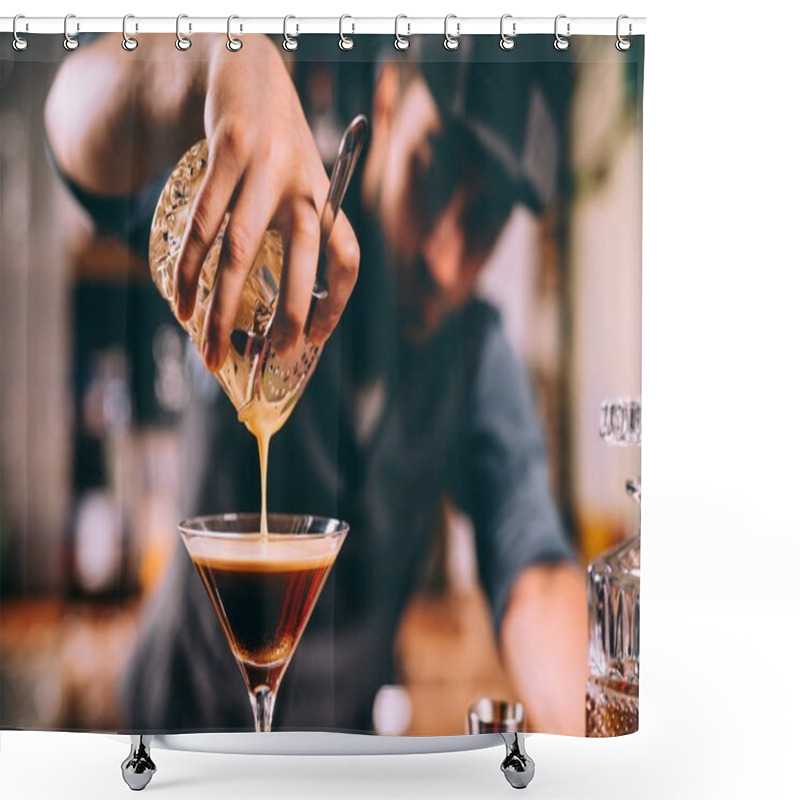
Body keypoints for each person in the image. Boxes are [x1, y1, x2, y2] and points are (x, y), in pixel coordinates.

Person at [45, 33, 588, 736]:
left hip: (333, 758)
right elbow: (71, 131)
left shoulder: (476, 357)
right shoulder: (266, 231)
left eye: (482, 221)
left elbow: (535, 567)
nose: (442, 259)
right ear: (388, 104)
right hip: (170, 737)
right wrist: (208, 65)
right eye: (434, 169)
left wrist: (598, 744)